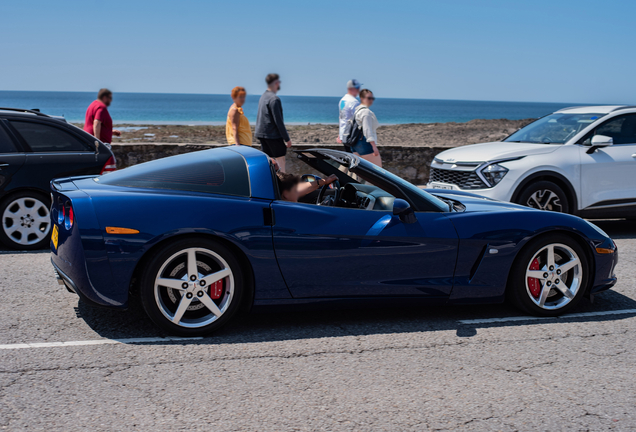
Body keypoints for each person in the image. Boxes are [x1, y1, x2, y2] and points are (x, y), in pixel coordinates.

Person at [255, 73, 291, 172]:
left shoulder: (263, 96)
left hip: (262, 134)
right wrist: (287, 139)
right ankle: (282, 185)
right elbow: (278, 121)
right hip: (273, 135)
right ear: (276, 83)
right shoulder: (274, 99)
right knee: (280, 161)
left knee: (268, 161)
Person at [353, 89, 382, 167]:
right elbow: (367, 130)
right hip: (365, 145)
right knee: (379, 171)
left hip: (355, 145)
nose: (371, 100)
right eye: (369, 98)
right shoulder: (366, 112)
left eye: (372, 98)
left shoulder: (357, 111)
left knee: (359, 172)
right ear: (361, 98)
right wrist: (374, 147)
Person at [337, 79, 362, 147]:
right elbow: (359, 120)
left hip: (344, 135)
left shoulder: (342, 100)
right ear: (350, 89)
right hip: (352, 136)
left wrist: (340, 134)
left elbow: (342, 118)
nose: (359, 90)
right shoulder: (354, 102)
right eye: (357, 88)